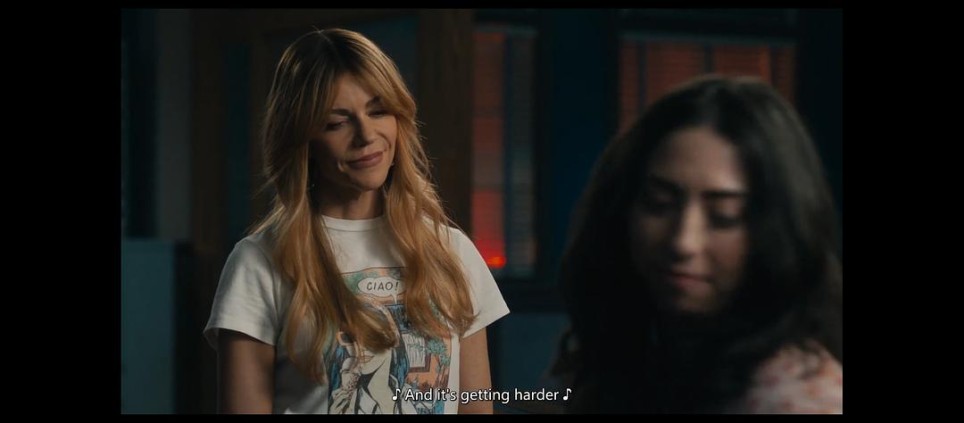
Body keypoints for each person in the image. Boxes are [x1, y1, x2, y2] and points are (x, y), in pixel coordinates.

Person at [203, 28, 509, 414]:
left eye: (378, 111)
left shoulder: (452, 252)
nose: (366, 135)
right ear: (302, 141)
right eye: (337, 123)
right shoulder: (260, 262)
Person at [553, 75, 842, 413]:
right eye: (659, 204)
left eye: (723, 216)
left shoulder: (796, 400)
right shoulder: (635, 356)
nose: (683, 242)